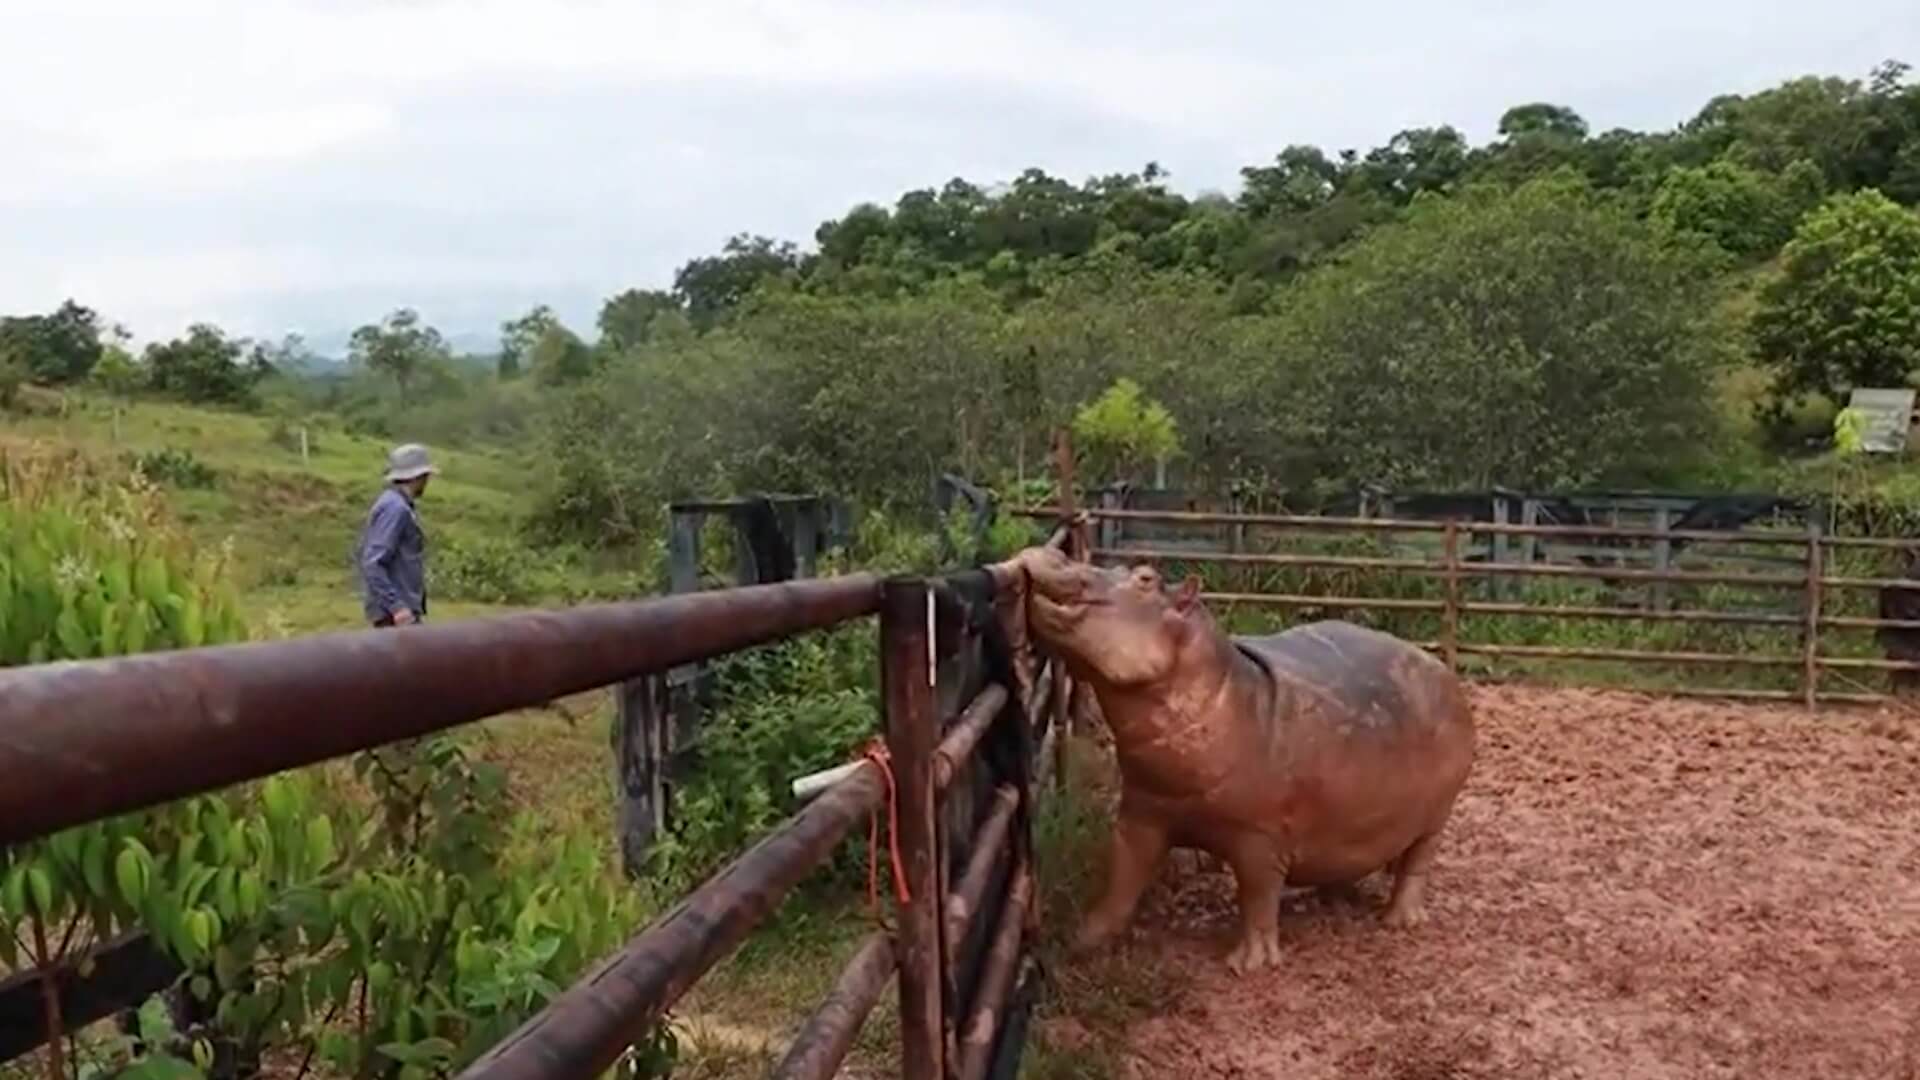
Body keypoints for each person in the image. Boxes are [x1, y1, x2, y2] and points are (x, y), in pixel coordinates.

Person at [358, 443, 434, 628]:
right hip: (395, 615)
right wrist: (397, 606)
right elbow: (373, 562)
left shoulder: (397, 504)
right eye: (425, 476)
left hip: (397, 610)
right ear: (417, 477)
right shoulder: (396, 508)